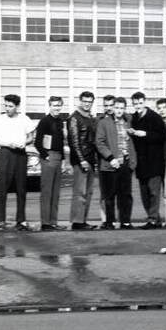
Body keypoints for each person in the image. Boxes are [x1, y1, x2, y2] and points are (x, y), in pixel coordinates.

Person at [0, 93, 37, 230]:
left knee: (21, 188)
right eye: (6, 105)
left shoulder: (24, 119)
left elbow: (30, 138)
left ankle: (21, 220)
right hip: (5, 153)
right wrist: (7, 144)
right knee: (1, 187)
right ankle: (0, 220)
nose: (7, 108)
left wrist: (23, 142)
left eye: (10, 106)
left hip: (20, 154)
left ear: (17, 106)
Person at [128, 92, 166, 228]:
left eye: (140, 103)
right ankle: (153, 218)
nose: (138, 106)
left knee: (154, 192)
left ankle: (153, 219)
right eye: (135, 104)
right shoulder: (134, 118)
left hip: (154, 161)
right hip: (141, 162)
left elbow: (162, 136)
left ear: (144, 102)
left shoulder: (155, 118)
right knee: (144, 192)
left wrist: (145, 134)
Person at [95, 97, 135, 229]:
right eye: (116, 108)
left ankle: (125, 221)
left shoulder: (128, 121)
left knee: (125, 195)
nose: (119, 110)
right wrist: (111, 158)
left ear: (125, 109)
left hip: (125, 163)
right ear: (113, 108)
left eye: (121, 108)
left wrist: (132, 162)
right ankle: (110, 222)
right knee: (109, 195)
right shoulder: (104, 123)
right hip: (110, 164)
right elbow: (99, 143)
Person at [34, 96, 67, 231]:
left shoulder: (60, 121)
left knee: (56, 191)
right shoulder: (44, 121)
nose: (57, 108)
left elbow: (61, 143)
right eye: (54, 105)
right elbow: (38, 142)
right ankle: (45, 222)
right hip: (48, 157)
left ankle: (53, 221)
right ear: (49, 106)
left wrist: (64, 160)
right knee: (47, 191)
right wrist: (45, 155)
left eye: (59, 105)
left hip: (59, 157)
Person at [67, 91, 99, 230]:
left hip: (91, 159)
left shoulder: (91, 118)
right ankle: (77, 222)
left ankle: (83, 220)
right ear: (80, 101)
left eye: (89, 101)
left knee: (88, 192)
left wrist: (93, 161)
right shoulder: (74, 118)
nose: (87, 104)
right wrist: (81, 160)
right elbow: (74, 141)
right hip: (81, 161)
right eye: (85, 101)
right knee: (80, 192)